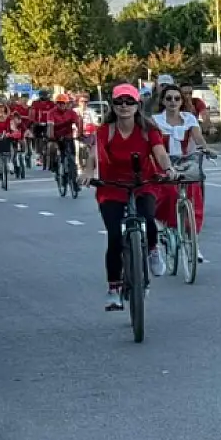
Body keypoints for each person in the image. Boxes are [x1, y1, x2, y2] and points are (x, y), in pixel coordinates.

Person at [83, 84, 175, 310]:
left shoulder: (148, 130)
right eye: (119, 102)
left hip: (143, 183)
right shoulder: (106, 131)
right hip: (112, 187)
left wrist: (169, 169)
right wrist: (87, 171)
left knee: (148, 220)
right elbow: (94, 155)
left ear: (137, 105)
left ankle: (153, 250)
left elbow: (160, 154)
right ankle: (113, 289)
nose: (124, 106)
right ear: (113, 106)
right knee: (114, 236)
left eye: (129, 102)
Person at [153, 84, 213, 258]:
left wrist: (207, 149)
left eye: (177, 98)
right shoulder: (155, 121)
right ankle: (163, 226)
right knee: (167, 193)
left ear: (182, 101)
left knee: (194, 196)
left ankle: (192, 242)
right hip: (164, 162)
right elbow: (154, 144)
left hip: (185, 162)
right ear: (163, 101)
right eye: (169, 98)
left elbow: (198, 138)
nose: (173, 102)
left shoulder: (188, 119)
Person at [29, 90, 56, 170]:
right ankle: (38, 154)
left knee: (52, 137)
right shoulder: (35, 103)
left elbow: (55, 112)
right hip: (38, 124)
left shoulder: (51, 103)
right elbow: (32, 113)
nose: (44, 97)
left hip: (49, 123)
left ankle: (52, 154)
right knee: (37, 137)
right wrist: (33, 121)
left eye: (45, 95)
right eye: (42, 95)